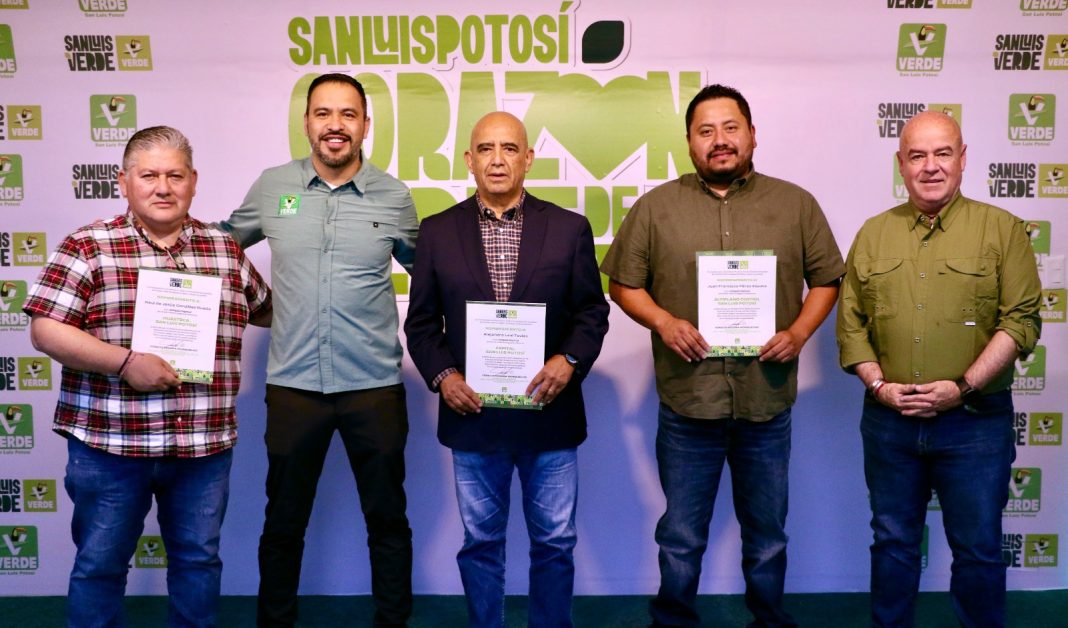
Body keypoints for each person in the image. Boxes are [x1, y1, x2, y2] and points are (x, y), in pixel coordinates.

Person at [600, 84, 844, 627]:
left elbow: (828, 278)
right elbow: (623, 283)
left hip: (766, 402)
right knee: (681, 535)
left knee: (767, 534)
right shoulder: (656, 208)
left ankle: (769, 618)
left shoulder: (796, 204)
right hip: (689, 405)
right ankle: (673, 620)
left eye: (730, 128)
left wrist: (800, 332)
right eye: (705, 131)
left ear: (752, 134)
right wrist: (664, 322)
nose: (720, 140)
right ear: (689, 141)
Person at [23, 125, 272, 627]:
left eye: (175, 176)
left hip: (201, 446)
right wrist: (124, 362)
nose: (163, 187)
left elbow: (266, 310)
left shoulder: (224, 249)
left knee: (199, 563)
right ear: (124, 181)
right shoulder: (88, 245)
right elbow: (46, 330)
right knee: (99, 568)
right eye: (149, 175)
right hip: (110, 446)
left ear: (193, 181)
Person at [220, 73, 418, 627]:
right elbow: (217, 245)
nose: (336, 125)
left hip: (374, 385)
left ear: (365, 125)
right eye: (324, 113)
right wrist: (157, 236)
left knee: (388, 520)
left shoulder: (394, 196)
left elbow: (434, 273)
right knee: (283, 522)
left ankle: (393, 622)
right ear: (306, 122)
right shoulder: (273, 186)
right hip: (293, 385)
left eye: (348, 114)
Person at [836, 110, 1041, 627]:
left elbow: (1020, 321)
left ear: (963, 158)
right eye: (918, 155)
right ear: (901, 164)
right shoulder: (873, 234)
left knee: (978, 550)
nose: (931, 166)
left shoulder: (1002, 230)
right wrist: (878, 386)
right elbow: (851, 324)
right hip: (890, 422)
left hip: (975, 423)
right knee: (892, 544)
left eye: (943, 153)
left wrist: (963, 386)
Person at [404, 111, 609, 627]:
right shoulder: (437, 231)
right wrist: (444, 376)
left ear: (528, 159)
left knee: (555, 542)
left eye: (510, 148)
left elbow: (592, 312)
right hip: (473, 417)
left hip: (550, 415)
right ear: (469, 160)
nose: (498, 159)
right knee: (480, 544)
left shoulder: (569, 228)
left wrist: (569, 360)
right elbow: (421, 323)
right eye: (486, 149)